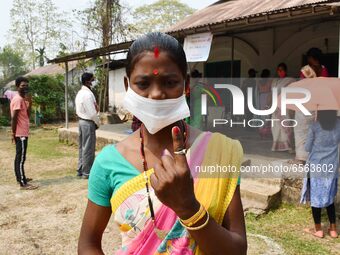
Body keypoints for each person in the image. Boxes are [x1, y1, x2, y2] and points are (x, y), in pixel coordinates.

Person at [78, 32, 247, 254]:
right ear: (128, 84)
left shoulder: (220, 152)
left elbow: (237, 250)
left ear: (186, 84)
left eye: (169, 82)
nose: (157, 94)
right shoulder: (108, 162)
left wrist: (188, 207)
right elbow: (88, 244)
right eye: (143, 83)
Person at [300, 110, 339, 238]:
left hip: (317, 166)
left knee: (316, 199)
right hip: (332, 166)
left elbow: (307, 148)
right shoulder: (338, 124)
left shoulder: (315, 126)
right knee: (329, 197)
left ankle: (318, 229)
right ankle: (333, 229)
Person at [291, 48, 329, 164]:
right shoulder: (324, 70)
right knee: (315, 131)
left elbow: (302, 86)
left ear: (311, 58)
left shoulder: (305, 70)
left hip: (305, 103)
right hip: (317, 103)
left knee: (301, 130)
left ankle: (302, 158)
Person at [10, 77, 37, 190]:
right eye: (22, 85)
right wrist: (13, 133)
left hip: (23, 133)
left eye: (26, 85)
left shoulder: (23, 99)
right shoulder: (18, 100)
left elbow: (26, 115)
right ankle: (23, 183)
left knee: (20, 157)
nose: (25, 87)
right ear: (17, 87)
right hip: (20, 134)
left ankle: (20, 177)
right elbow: (14, 118)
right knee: (20, 158)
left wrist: (29, 103)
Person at [75, 72, 100, 179]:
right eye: (92, 80)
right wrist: (97, 122)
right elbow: (92, 112)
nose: (93, 82)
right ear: (87, 81)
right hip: (88, 122)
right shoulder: (87, 94)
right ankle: (87, 172)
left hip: (81, 121)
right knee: (88, 148)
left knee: (82, 147)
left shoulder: (80, 93)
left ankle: (81, 169)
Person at [270, 63, 295, 151]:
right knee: (276, 126)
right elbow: (272, 93)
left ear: (285, 70)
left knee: (286, 124)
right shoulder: (274, 81)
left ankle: (289, 146)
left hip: (285, 106)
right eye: (278, 70)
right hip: (276, 107)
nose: (280, 72)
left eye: (282, 70)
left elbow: (293, 93)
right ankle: (277, 146)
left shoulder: (290, 80)